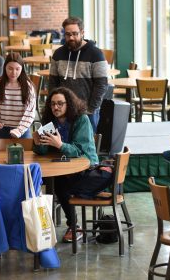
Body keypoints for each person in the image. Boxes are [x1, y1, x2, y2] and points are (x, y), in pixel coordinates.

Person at [33, 87, 111, 243]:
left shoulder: (81, 119)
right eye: (53, 104)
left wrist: (60, 145)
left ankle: (74, 227)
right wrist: (37, 143)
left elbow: (80, 151)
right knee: (37, 179)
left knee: (60, 184)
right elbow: (43, 151)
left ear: (69, 104)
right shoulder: (50, 122)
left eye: (60, 103)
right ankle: (37, 225)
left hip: (85, 168)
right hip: (62, 167)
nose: (56, 107)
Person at [48, 16, 108, 132]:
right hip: (63, 111)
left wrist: (90, 109)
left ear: (82, 33)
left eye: (75, 34)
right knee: (63, 147)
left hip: (87, 113)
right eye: (67, 34)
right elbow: (53, 84)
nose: (71, 38)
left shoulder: (96, 54)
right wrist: (54, 107)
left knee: (87, 148)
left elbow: (101, 85)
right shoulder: (58, 54)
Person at [0, 53, 36, 138]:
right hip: (1, 129)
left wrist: (19, 130)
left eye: (17, 69)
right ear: (4, 68)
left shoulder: (28, 86)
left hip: (22, 130)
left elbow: (30, 112)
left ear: (22, 69)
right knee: (0, 151)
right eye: (10, 69)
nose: (14, 73)